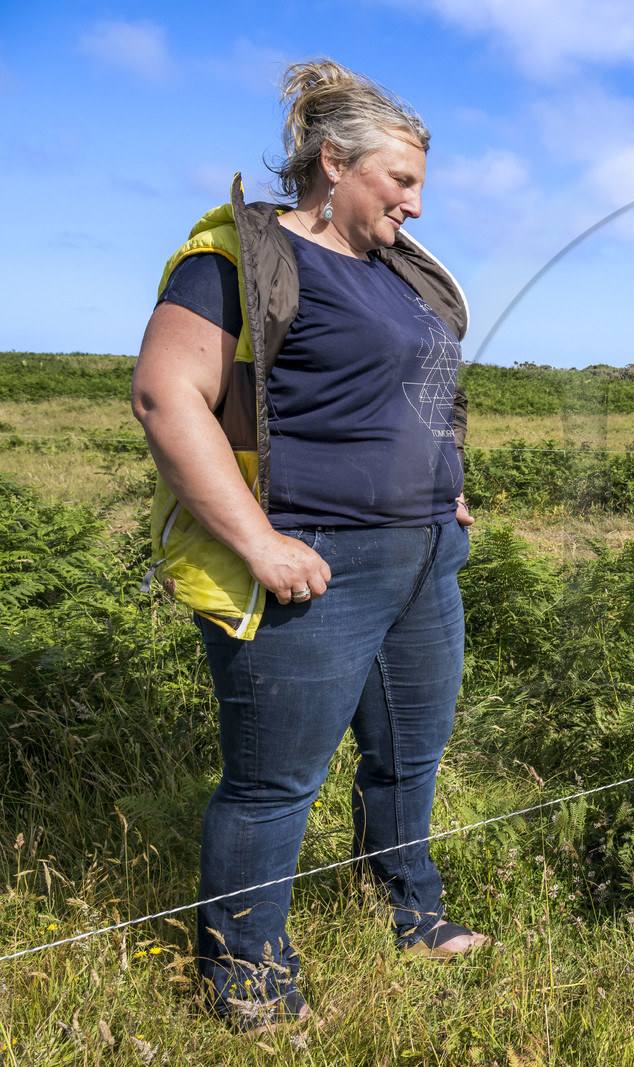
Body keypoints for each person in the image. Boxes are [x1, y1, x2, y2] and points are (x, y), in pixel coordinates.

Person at [130, 59, 485, 1030]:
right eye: (400, 181)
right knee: (275, 779)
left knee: (410, 753)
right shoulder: (235, 259)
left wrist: (448, 494)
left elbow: (423, 393)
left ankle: (413, 911)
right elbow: (170, 396)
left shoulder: (400, 274)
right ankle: (248, 970)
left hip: (422, 556)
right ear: (333, 162)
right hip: (310, 557)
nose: (415, 204)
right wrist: (258, 541)